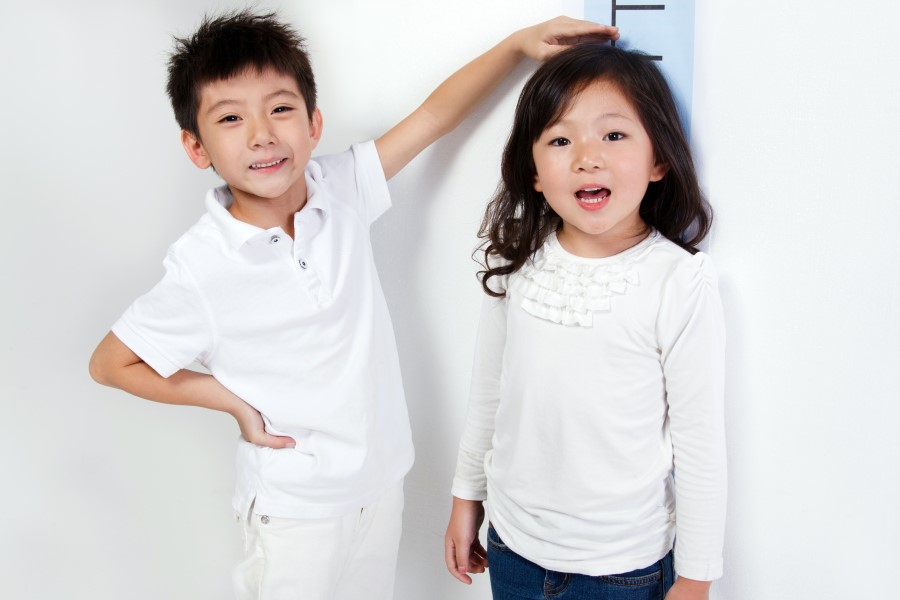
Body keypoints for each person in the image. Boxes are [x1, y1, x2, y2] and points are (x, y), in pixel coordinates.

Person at [87, 11, 618, 600]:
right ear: (196, 146)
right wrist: (230, 401)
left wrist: (516, 46)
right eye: (231, 118)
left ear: (314, 123)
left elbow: (434, 117)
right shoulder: (203, 265)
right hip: (294, 511)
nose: (261, 134)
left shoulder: (339, 188)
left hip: (379, 485)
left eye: (280, 108)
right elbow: (111, 364)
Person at [445, 43, 726, 600]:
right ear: (534, 173)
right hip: (513, 548)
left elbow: (699, 442)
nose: (586, 158)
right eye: (560, 140)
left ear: (658, 160)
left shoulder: (677, 280)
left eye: (613, 135)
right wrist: (464, 496)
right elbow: (488, 394)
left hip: (623, 569)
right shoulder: (518, 265)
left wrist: (696, 576)